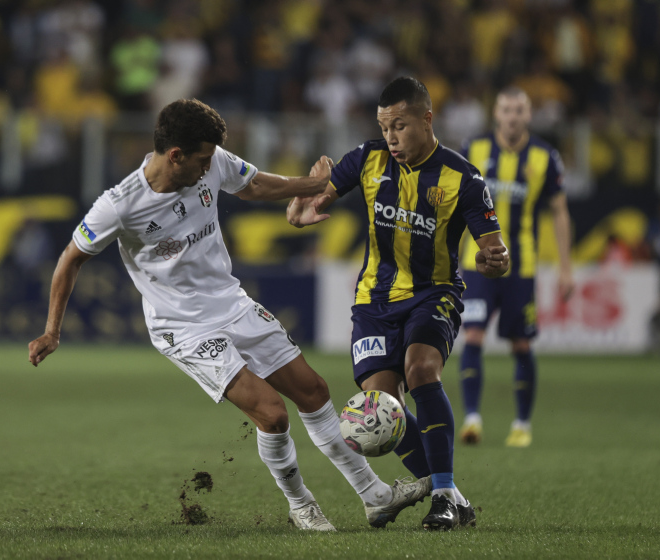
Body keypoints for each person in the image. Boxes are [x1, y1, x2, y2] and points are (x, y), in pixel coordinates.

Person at [28, 99, 430, 532]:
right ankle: (302, 506)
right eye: (202, 160)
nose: (210, 167)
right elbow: (70, 259)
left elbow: (255, 185)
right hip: (182, 327)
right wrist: (52, 331)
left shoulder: (212, 159)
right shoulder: (120, 205)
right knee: (273, 414)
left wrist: (313, 185)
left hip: (232, 303)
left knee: (313, 390)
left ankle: (375, 496)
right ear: (175, 155)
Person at [286, 77, 509, 531]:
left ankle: (442, 497)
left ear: (427, 119)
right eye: (385, 127)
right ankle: (453, 495)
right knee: (379, 409)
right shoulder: (368, 159)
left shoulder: (463, 178)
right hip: (374, 299)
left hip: (435, 293)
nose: (391, 137)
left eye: (400, 126)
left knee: (421, 370)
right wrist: (302, 209)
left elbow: (495, 251)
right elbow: (321, 194)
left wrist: (495, 261)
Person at [458, 86, 574, 448]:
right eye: (506, 110)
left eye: (519, 110)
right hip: (475, 263)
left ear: (528, 115)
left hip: (521, 266)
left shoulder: (544, 156)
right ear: (496, 113)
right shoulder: (472, 150)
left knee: (521, 343)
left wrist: (566, 268)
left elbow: (559, 210)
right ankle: (473, 419)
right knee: (473, 335)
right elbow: (451, 204)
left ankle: (522, 424)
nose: (512, 117)